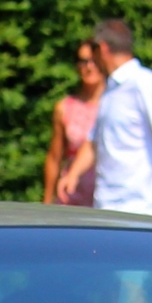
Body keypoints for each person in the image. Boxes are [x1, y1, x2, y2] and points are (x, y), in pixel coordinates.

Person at [72, 18, 152, 216]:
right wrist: (72, 175)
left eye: (94, 54)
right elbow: (95, 141)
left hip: (140, 208)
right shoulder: (109, 91)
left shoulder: (145, 84)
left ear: (103, 49)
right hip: (105, 205)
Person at [41, 42, 107, 205]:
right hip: (71, 196)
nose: (90, 67)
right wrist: (47, 201)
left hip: (107, 197)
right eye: (84, 61)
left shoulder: (116, 105)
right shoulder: (65, 108)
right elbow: (55, 157)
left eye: (95, 61)